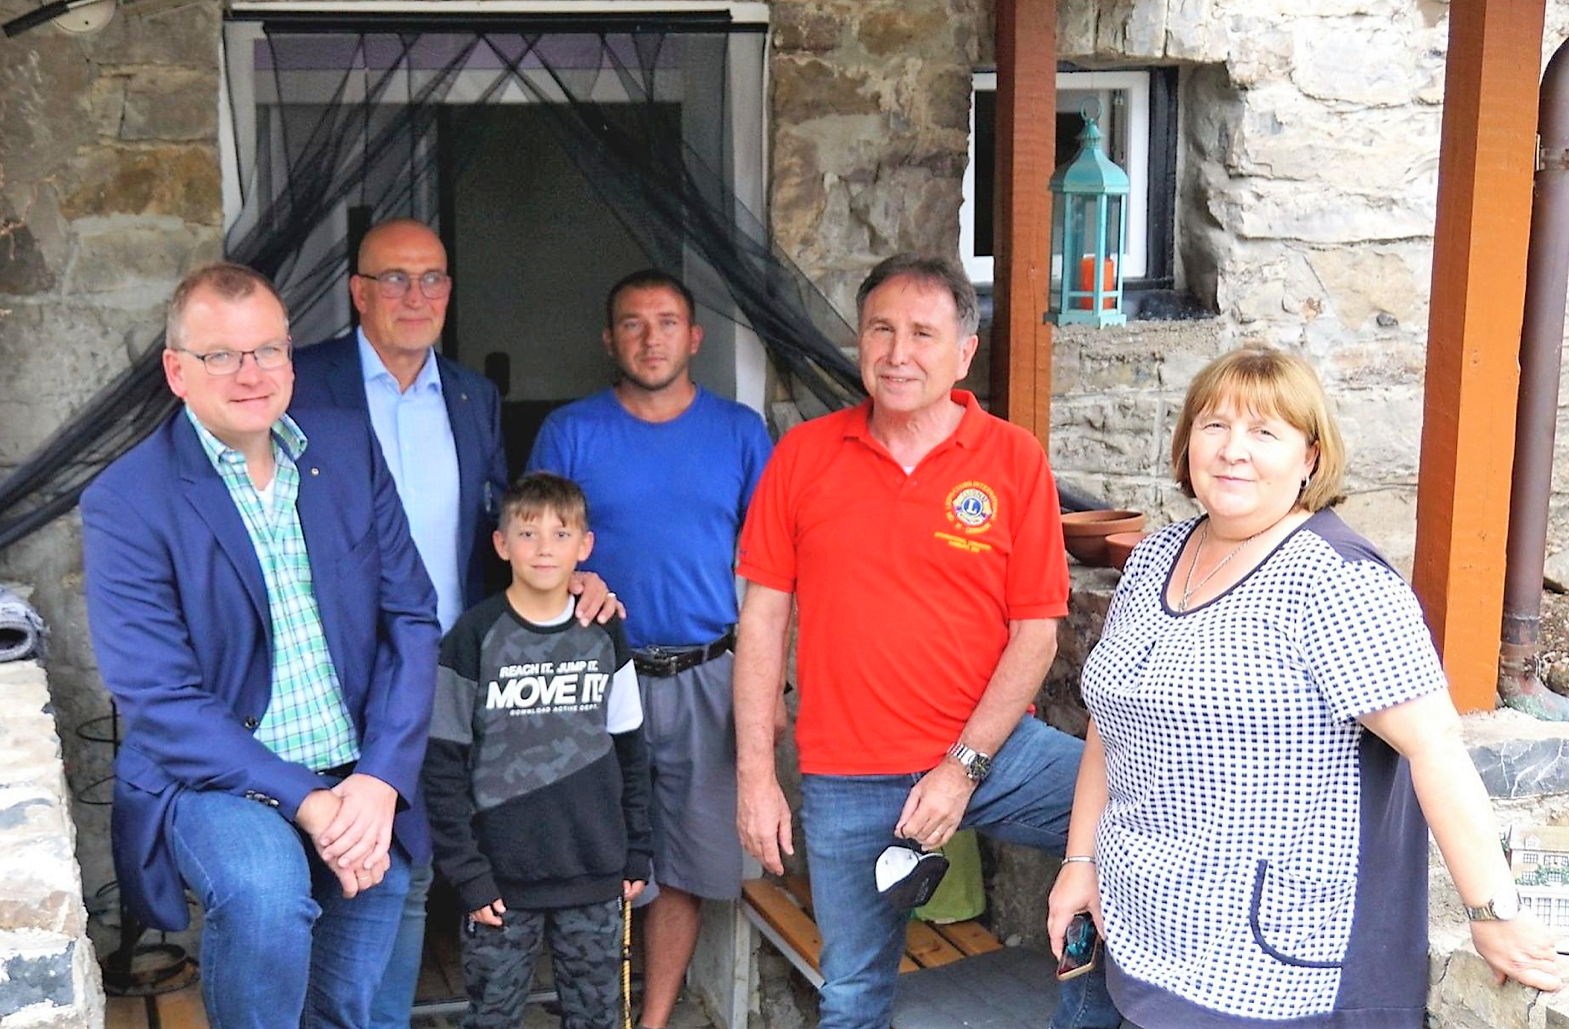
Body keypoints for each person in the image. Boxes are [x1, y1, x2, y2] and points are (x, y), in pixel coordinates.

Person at [1046, 346, 1564, 1028]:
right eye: (1215, 426)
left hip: (1260, 963)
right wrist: (1080, 860)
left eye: (1266, 432)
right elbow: (1110, 726)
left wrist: (1490, 911)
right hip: (1130, 923)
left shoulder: (1334, 581)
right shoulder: (1156, 556)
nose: (1235, 450)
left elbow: (1435, 742)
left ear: (1310, 458)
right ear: (1188, 441)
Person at [732, 253, 1120, 1029]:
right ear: (859, 342)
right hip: (848, 772)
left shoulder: (1013, 459)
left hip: (998, 754)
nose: (898, 352)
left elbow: (1035, 636)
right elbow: (763, 620)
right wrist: (754, 775)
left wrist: (960, 768)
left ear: (963, 352)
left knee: (1133, 821)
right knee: (853, 994)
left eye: (921, 333)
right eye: (880, 330)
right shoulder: (804, 456)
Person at [81, 262, 439, 1029]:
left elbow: (411, 617)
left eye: (269, 350)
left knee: (345, 1003)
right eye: (223, 355)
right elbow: (160, 701)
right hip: (219, 776)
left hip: (355, 769)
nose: (252, 374)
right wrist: (309, 800)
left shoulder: (344, 447)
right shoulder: (127, 501)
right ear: (177, 371)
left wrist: (379, 779)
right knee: (267, 894)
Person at [292, 218, 619, 1027]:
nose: (415, 295)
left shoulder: (473, 395)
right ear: (357, 292)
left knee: (411, 864)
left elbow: (493, 524)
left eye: (432, 278)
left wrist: (564, 570)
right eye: (394, 278)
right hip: (329, 671)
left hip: (441, 671)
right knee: (312, 868)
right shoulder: (300, 382)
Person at [527, 269, 775, 1029]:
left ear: (694, 337)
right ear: (610, 340)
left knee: (692, 866)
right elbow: (528, 544)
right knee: (595, 860)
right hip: (596, 676)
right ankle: (595, 1014)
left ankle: (654, 1021)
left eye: (666, 322)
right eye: (632, 323)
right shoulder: (571, 431)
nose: (650, 336)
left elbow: (777, 570)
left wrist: (773, 693)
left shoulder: (739, 431)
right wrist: (574, 571)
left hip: (707, 673)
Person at [423, 472, 651, 1029]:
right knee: (492, 1017)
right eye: (527, 534)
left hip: (594, 872)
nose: (544, 548)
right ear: (502, 544)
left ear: (585, 546)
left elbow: (631, 748)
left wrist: (637, 847)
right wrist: (467, 873)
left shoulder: (603, 632)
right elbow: (443, 764)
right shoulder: (473, 636)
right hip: (500, 884)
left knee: (596, 1017)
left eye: (560, 533)